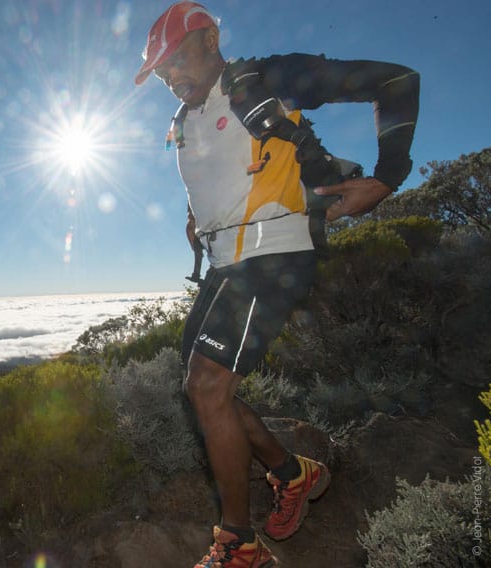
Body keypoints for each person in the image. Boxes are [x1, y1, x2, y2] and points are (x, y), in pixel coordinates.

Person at [134, 3, 419, 567]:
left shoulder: (265, 80)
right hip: (225, 265)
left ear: (211, 38)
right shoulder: (185, 121)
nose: (171, 79)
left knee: (209, 386)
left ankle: (239, 545)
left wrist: (388, 176)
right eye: (161, 74)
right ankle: (293, 474)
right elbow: (225, 175)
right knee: (200, 390)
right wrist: (199, 221)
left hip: (275, 253)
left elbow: (396, 81)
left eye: (175, 62)